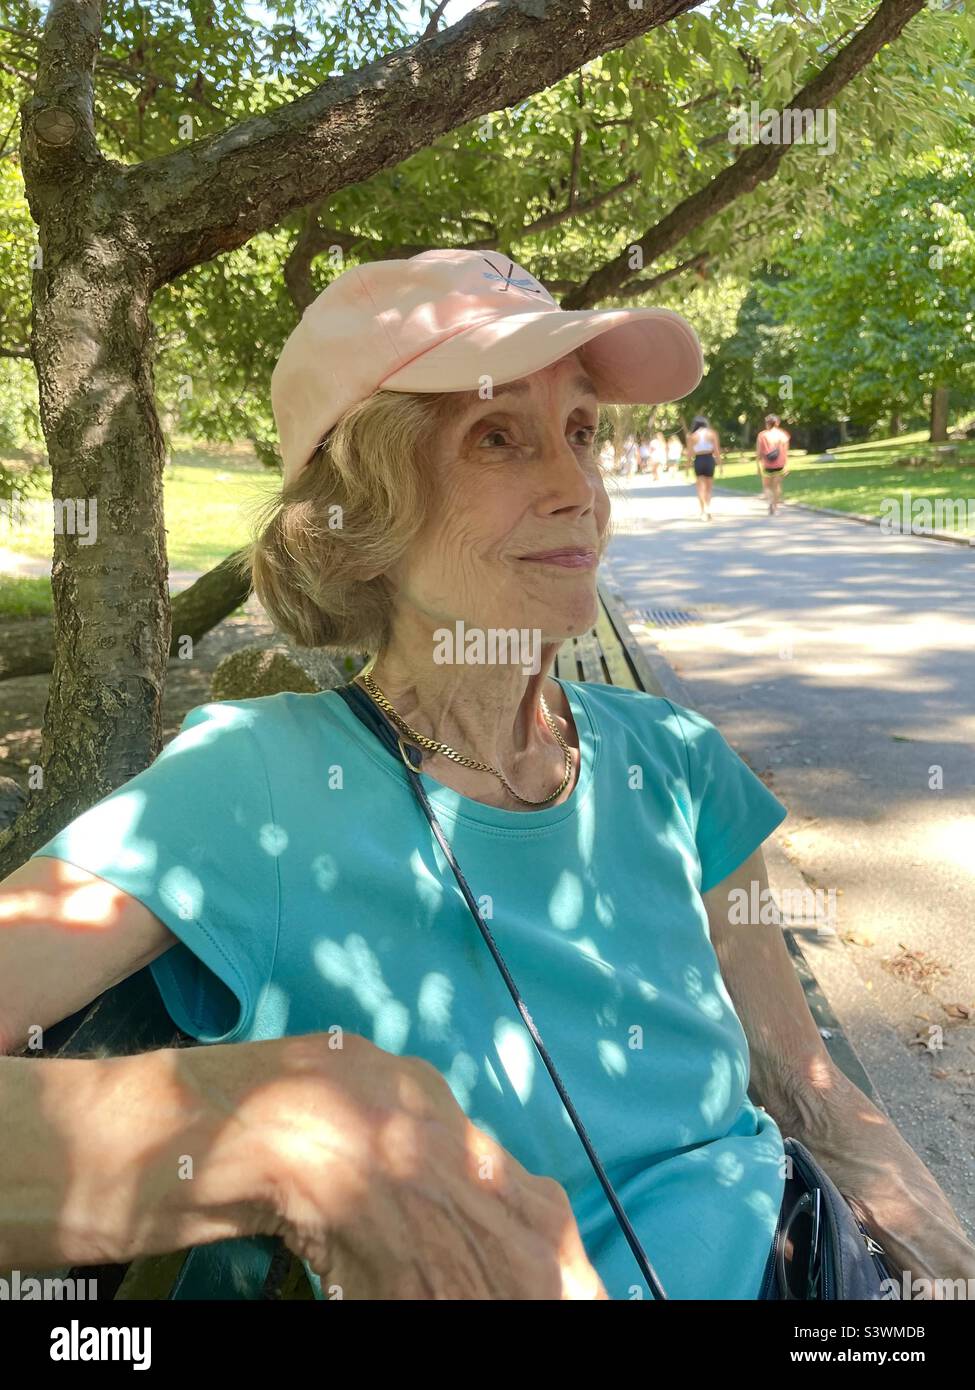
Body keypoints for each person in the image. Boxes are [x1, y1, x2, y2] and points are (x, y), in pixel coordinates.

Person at [2, 247, 973, 1302]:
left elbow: (810, 1089)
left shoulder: (673, 756)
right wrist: (273, 1127)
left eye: (581, 431)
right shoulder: (254, 782)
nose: (579, 491)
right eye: (498, 437)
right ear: (360, 518)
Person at [685, 413, 722, 520]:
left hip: (699, 460)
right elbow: (717, 450)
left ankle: (702, 511)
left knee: (700, 487)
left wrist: (687, 467)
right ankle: (708, 508)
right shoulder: (712, 434)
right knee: (709, 488)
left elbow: (690, 453)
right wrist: (720, 465)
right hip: (709, 459)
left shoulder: (693, 436)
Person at [757, 413, 791, 514]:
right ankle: (775, 507)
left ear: (767, 423)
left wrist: (758, 466)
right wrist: (787, 465)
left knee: (767, 486)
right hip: (780, 464)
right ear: (777, 423)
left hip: (767, 465)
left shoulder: (762, 435)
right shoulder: (783, 435)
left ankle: (770, 502)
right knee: (777, 486)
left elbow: (758, 453)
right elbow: (786, 452)